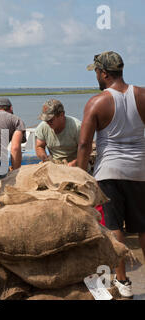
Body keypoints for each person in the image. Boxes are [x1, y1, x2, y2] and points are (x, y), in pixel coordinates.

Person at [77, 51, 145, 298]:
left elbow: (84, 145)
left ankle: (123, 282)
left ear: (103, 73)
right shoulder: (142, 94)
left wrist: (79, 175)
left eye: (96, 72)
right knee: (143, 227)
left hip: (109, 172)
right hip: (140, 170)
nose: (96, 76)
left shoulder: (97, 102)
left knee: (115, 227)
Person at [35, 99, 81, 167]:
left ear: (61, 115)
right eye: (45, 120)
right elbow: (39, 146)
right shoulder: (42, 127)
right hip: (55, 164)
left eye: (50, 120)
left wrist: (73, 163)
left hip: (77, 164)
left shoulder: (77, 127)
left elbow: (86, 150)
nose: (48, 123)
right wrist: (45, 159)